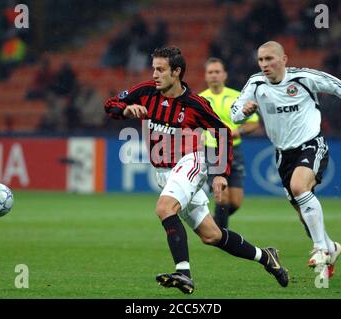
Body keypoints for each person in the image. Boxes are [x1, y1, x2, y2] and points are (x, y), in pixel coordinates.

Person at [105, 46, 289, 294]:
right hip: (164, 173)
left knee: (164, 208)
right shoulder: (146, 92)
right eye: (154, 69)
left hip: (190, 162)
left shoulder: (194, 104)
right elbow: (111, 104)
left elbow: (221, 132)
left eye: (161, 69)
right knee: (211, 235)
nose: (155, 74)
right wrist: (125, 110)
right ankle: (266, 257)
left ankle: (183, 273)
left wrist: (221, 171)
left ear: (176, 72)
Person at [231, 41, 341, 278]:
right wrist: (245, 112)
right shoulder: (255, 83)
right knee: (304, 216)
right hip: (283, 155)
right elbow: (235, 114)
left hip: (311, 144)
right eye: (261, 60)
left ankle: (321, 249)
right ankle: (331, 247)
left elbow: (339, 87)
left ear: (284, 59)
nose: (264, 65)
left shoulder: (303, 78)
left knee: (299, 187)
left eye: (269, 59)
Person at [199, 57, 260, 228]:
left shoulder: (237, 97)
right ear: (205, 76)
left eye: (217, 72)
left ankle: (212, 224)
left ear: (224, 75)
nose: (214, 76)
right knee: (222, 197)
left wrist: (238, 131)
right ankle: (223, 238)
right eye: (210, 72)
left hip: (234, 150)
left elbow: (254, 123)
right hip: (213, 151)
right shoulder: (199, 100)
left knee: (236, 201)